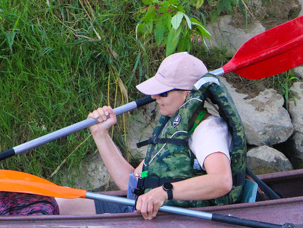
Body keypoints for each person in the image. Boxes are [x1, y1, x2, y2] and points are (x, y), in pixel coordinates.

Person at [57, 52, 247, 218]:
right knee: (60, 203)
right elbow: (129, 182)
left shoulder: (207, 130)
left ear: (188, 95)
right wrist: (100, 134)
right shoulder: (174, 128)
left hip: (174, 218)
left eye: (163, 92)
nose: (155, 97)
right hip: (145, 209)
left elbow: (222, 181)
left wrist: (164, 192)